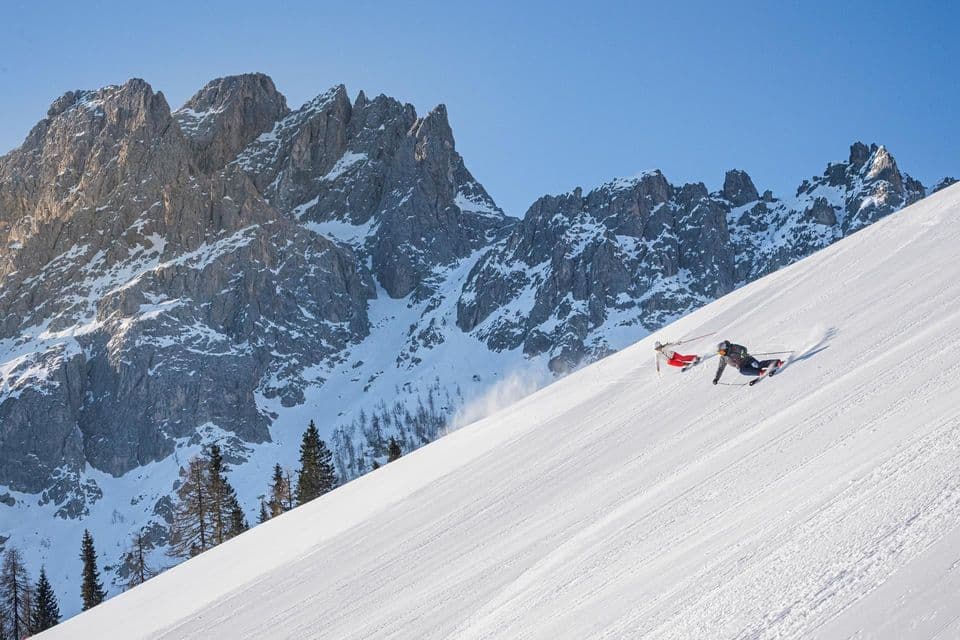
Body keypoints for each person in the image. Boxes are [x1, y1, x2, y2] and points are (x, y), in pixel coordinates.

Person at [712, 340, 783, 384]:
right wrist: (716, 378)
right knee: (742, 371)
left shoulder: (733, 347)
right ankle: (761, 372)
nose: (721, 354)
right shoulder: (723, 358)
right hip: (741, 366)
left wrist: (743, 354)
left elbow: (743, 349)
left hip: (747, 359)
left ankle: (776, 362)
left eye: (721, 352)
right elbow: (720, 368)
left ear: (725, 348)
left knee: (758, 365)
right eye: (720, 353)